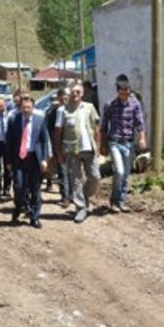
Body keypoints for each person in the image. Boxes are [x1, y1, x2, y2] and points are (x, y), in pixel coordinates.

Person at [55, 84, 101, 223]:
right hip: (71, 151)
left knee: (95, 177)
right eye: (73, 92)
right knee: (75, 181)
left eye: (78, 92)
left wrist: (98, 147)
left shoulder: (89, 107)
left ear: (82, 94)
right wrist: (59, 153)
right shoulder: (62, 110)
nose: (75, 94)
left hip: (89, 149)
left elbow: (96, 128)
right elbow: (57, 134)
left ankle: (84, 198)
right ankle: (80, 208)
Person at [101, 79, 147, 212]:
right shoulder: (110, 105)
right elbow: (104, 126)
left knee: (126, 174)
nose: (124, 97)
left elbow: (140, 123)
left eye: (126, 94)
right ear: (118, 92)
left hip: (129, 143)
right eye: (122, 94)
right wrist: (102, 145)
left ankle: (121, 201)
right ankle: (114, 201)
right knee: (119, 171)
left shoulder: (135, 104)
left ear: (129, 91)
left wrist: (142, 138)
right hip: (114, 142)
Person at [6, 95, 49, 228]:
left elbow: (44, 140)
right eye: (23, 107)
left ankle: (34, 216)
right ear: (20, 108)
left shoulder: (40, 120)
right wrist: (8, 161)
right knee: (19, 187)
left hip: (34, 158)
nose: (25, 110)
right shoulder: (14, 120)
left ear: (33, 107)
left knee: (35, 189)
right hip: (19, 159)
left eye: (28, 107)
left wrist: (44, 159)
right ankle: (20, 207)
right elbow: (9, 142)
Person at [46, 88, 72, 205]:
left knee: (73, 171)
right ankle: (65, 196)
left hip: (72, 145)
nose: (64, 99)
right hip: (59, 144)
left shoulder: (74, 109)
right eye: (62, 97)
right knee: (62, 170)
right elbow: (50, 129)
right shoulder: (53, 111)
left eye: (66, 97)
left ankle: (72, 195)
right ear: (59, 98)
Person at [0, 96, 13, 200]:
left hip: (8, 144)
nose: (1, 108)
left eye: (2, 106)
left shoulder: (10, 115)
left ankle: (6, 189)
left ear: (5, 105)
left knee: (8, 167)